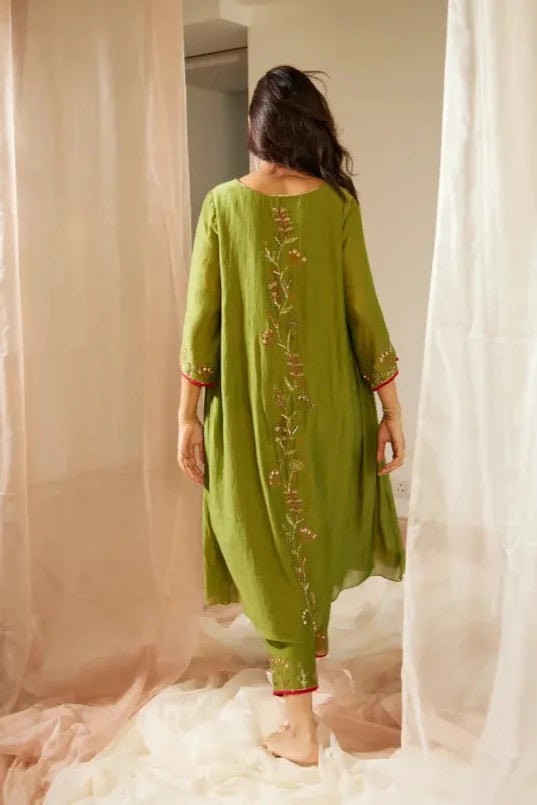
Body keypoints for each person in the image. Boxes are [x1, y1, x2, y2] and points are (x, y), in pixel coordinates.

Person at [178, 65, 406, 766]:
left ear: (256, 128)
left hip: (247, 409)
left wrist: (187, 416)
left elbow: (201, 320)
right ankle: (300, 701)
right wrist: (391, 409)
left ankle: (299, 728)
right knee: (310, 525)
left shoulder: (223, 205)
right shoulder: (335, 205)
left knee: (261, 536)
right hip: (329, 406)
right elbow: (364, 313)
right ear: (309, 125)